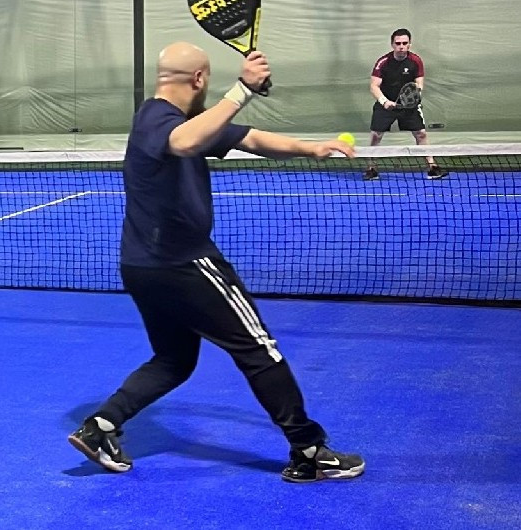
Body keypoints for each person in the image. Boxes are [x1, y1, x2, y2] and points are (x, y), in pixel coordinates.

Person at [68, 41, 365, 483]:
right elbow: (185, 142)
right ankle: (309, 450)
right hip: (185, 265)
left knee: (173, 360)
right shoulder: (156, 118)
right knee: (259, 350)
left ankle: (101, 427)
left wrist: (311, 148)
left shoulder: (188, 121)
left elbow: (251, 138)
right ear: (200, 79)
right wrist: (243, 88)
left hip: (142, 266)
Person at [364, 28, 448, 181]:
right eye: (398, 43)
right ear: (392, 45)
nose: (401, 46)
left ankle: (432, 167)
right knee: (376, 135)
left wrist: (413, 98)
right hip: (386, 103)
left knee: (421, 134)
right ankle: (371, 168)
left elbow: (419, 84)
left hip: (408, 106)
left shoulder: (416, 61)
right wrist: (384, 102)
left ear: (409, 44)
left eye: (404, 43)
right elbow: (374, 86)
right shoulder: (383, 62)